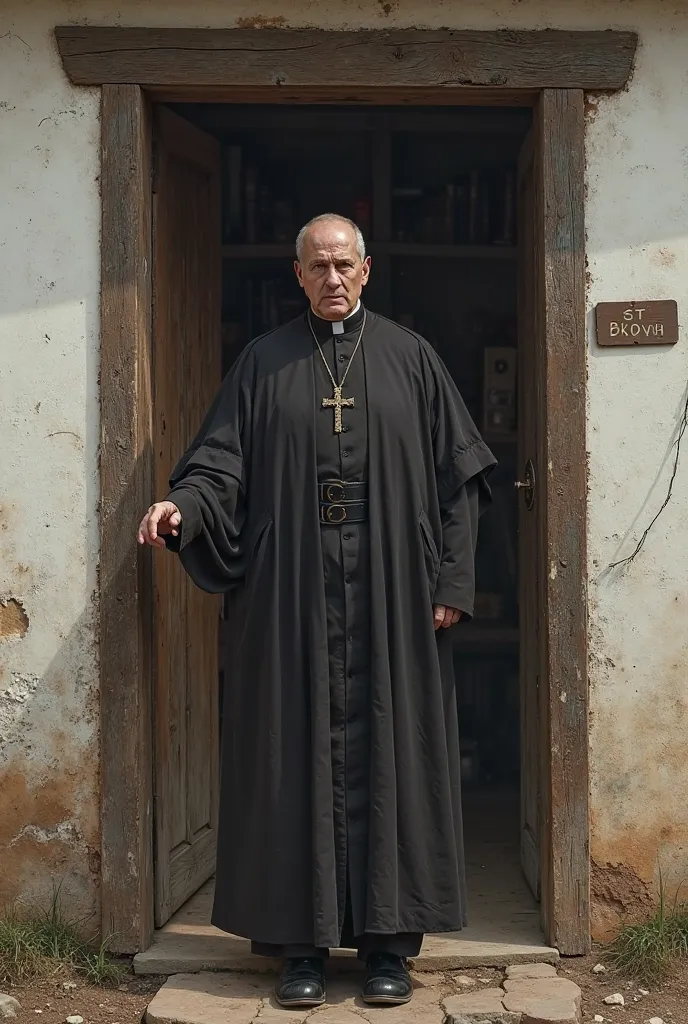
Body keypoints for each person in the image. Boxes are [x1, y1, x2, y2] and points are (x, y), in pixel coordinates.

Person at [137, 213, 496, 1008]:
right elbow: (219, 466)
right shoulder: (263, 364)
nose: (332, 279)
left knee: (395, 760)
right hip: (292, 593)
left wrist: (451, 586)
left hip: (396, 594)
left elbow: (460, 484)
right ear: (296, 275)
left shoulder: (412, 359)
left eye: (344, 265)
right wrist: (182, 509)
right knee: (288, 758)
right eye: (317, 267)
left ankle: (387, 950)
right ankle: (297, 949)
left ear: (366, 270)